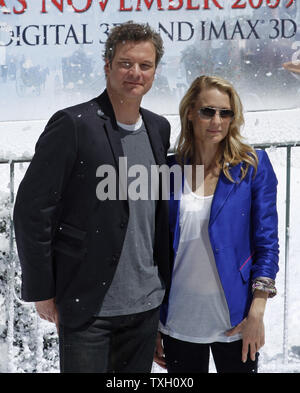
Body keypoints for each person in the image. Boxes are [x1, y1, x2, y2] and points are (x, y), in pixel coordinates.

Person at [13, 21, 171, 373]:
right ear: (107, 66)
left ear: (155, 71)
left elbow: (154, 213)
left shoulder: (160, 128)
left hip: (145, 305)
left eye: (145, 65)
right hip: (89, 306)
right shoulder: (74, 124)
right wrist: (43, 288)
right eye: (125, 63)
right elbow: (32, 210)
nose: (135, 73)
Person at [154, 75, 279, 373]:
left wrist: (257, 312)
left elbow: (267, 243)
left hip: (236, 321)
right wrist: (153, 323)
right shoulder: (166, 171)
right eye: (208, 111)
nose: (217, 121)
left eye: (226, 113)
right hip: (178, 321)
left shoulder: (252, 166)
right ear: (190, 112)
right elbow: (152, 249)